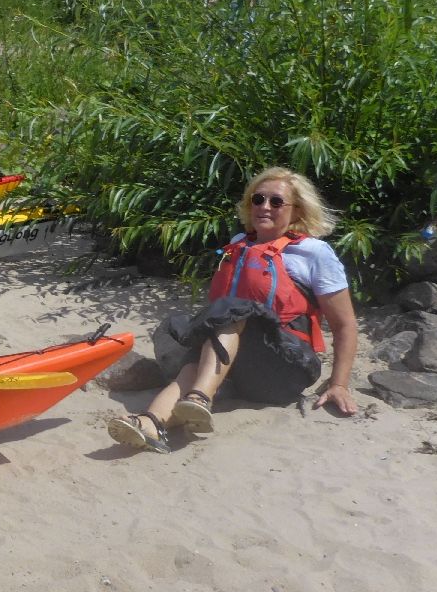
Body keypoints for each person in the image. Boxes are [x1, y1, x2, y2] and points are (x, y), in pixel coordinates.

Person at [107, 167, 361, 454]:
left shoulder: (314, 253)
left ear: (298, 211)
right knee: (192, 354)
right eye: (258, 199)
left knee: (231, 311)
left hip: (287, 368)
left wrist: (339, 384)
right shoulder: (239, 245)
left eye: (276, 202)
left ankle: (200, 398)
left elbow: (345, 325)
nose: (264, 207)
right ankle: (151, 423)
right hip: (239, 367)